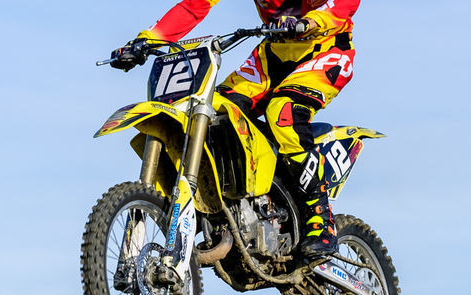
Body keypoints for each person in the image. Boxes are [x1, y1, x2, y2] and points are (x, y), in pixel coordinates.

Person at [113, 1, 360, 262]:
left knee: (283, 112)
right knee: (214, 110)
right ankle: (228, 205)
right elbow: (193, 6)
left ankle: (320, 218)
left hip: (324, 49)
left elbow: (343, 3)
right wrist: (146, 41)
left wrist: (311, 22)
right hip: (273, 53)